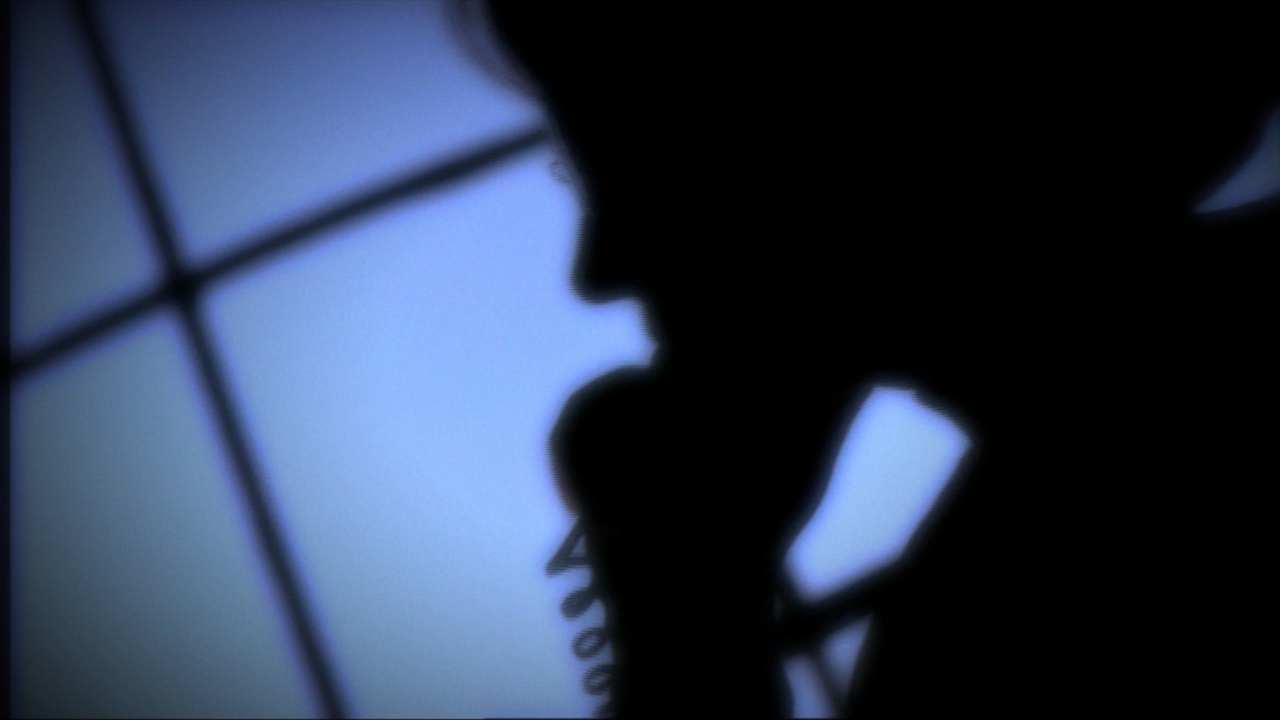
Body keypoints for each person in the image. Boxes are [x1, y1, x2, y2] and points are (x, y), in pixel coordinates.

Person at [481, 4, 1278, 715]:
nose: (599, 268)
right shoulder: (1004, 582)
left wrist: (683, 613)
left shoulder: (996, 617)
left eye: (639, 155)